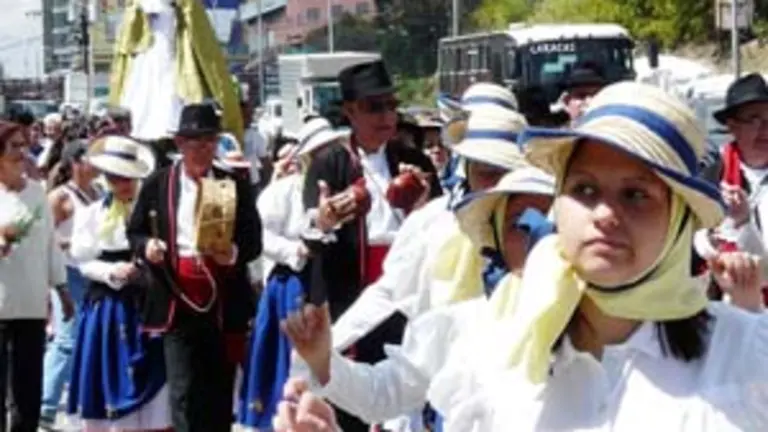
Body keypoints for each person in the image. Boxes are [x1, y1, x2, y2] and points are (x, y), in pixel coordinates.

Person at [283, 167, 556, 432]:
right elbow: (384, 392)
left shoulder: (594, 336)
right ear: (495, 240)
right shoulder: (461, 325)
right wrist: (323, 361)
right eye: (517, 224)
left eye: (549, 219)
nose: (537, 234)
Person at [127, 103, 262, 432]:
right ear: (179, 144)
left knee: (218, 388)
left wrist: (231, 253)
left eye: (209, 142)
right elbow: (135, 231)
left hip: (223, 297)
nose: (202, 150)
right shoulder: (159, 183)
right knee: (184, 388)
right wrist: (148, 247)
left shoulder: (233, 184)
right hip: (177, 295)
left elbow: (253, 240)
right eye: (194, 143)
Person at [238, 117, 348, 430]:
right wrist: (295, 250)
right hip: (293, 282)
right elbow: (262, 237)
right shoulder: (281, 193)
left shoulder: (344, 194)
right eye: (322, 152)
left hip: (333, 281)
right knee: (286, 358)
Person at [66, 135, 170, 432]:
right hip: (110, 309)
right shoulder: (91, 215)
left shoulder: (152, 213)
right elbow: (81, 259)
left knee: (153, 377)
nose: (123, 185)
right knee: (109, 375)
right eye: (115, 178)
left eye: (128, 178)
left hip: (147, 305)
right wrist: (111, 271)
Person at [0, 120, 71, 432]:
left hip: (31, 303)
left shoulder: (37, 194)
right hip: (0, 303)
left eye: (23, 144)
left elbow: (49, 245)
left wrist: (62, 289)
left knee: (28, 389)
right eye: (13, 146)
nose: (21, 151)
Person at [111, 0, 243, 149]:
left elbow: (206, 52)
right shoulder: (136, 10)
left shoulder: (187, 9)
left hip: (176, 51)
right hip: (147, 55)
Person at [40, 140, 101, 429]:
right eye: (92, 158)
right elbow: (43, 238)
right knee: (67, 340)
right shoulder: (60, 197)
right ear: (76, 163)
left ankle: (84, 399)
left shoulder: (99, 193)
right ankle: (46, 405)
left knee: (88, 337)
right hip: (68, 272)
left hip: (94, 271)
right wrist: (72, 243)